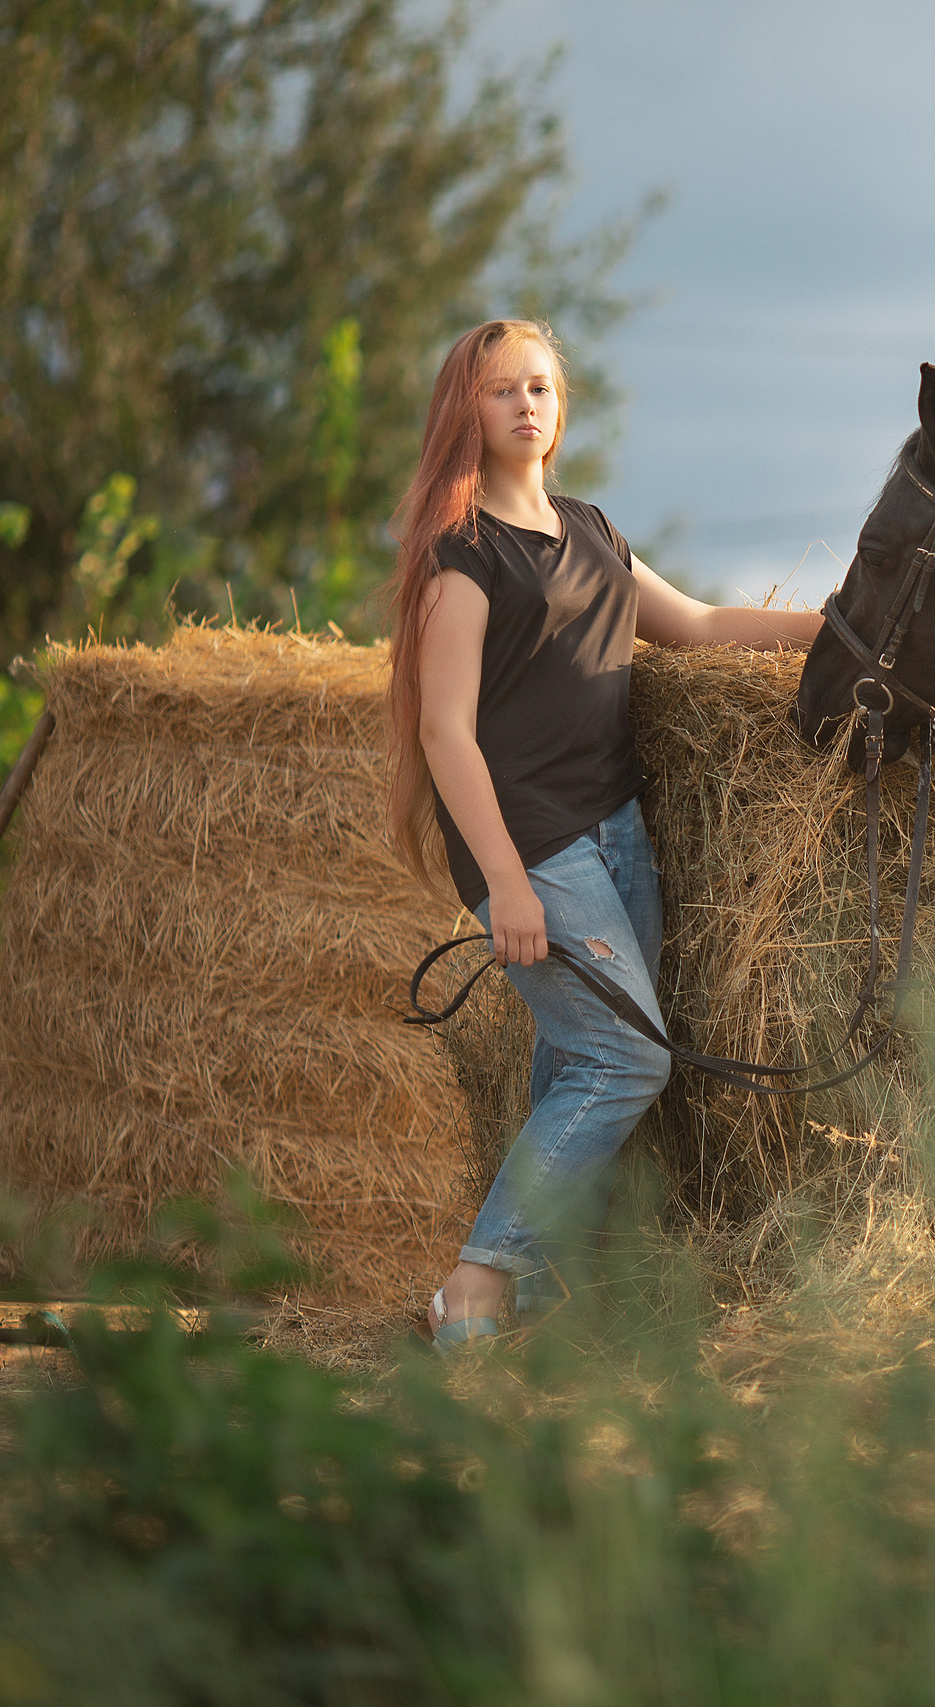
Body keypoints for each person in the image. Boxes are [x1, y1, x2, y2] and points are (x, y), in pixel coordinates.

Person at [385, 319, 821, 1348]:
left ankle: (537, 1295)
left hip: (617, 831)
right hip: (530, 845)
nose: (526, 405)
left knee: (576, 1056)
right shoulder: (463, 558)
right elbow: (445, 731)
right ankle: (477, 1285)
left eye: (540, 386)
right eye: (501, 391)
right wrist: (507, 882)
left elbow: (702, 626)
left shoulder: (589, 528)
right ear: (466, 411)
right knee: (627, 1062)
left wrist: (844, 624)